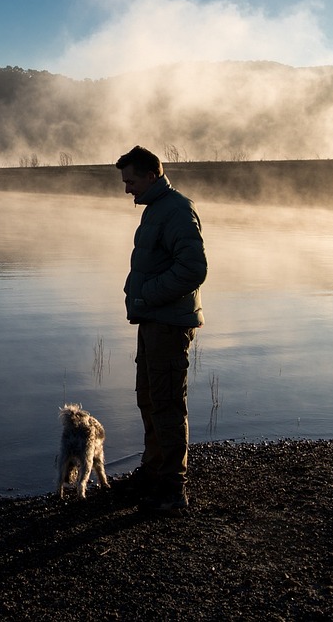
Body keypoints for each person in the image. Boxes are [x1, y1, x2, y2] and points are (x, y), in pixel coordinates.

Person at [115, 145, 207, 514]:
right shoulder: (156, 209)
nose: (127, 188)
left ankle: (173, 490)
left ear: (152, 176)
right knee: (149, 398)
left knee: (167, 404)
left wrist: (147, 295)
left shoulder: (177, 211)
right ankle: (153, 472)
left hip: (169, 324)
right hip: (154, 320)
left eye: (131, 181)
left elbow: (193, 269)